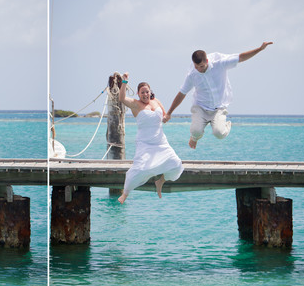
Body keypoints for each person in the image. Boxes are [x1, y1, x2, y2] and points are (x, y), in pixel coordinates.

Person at [163, 42, 273, 149]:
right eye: (196, 66)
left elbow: (241, 57)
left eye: (201, 66)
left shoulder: (220, 62)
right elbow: (182, 93)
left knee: (219, 133)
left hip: (219, 107)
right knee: (196, 131)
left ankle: (226, 124)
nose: (199, 69)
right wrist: (169, 113)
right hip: (200, 107)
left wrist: (259, 49)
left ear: (206, 61)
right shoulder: (192, 74)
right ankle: (194, 137)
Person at [117, 73, 184, 204]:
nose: (145, 95)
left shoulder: (156, 101)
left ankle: (160, 182)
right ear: (138, 94)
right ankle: (125, 193)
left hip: (161, 142)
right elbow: (122, 98)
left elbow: (164, 117)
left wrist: (166, 118)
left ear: (150, 92)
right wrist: (124, 82)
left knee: (176, 164)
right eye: (142, 93)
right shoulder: (135, 105)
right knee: (141, 169)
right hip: (145, 143)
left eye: (147, 92)